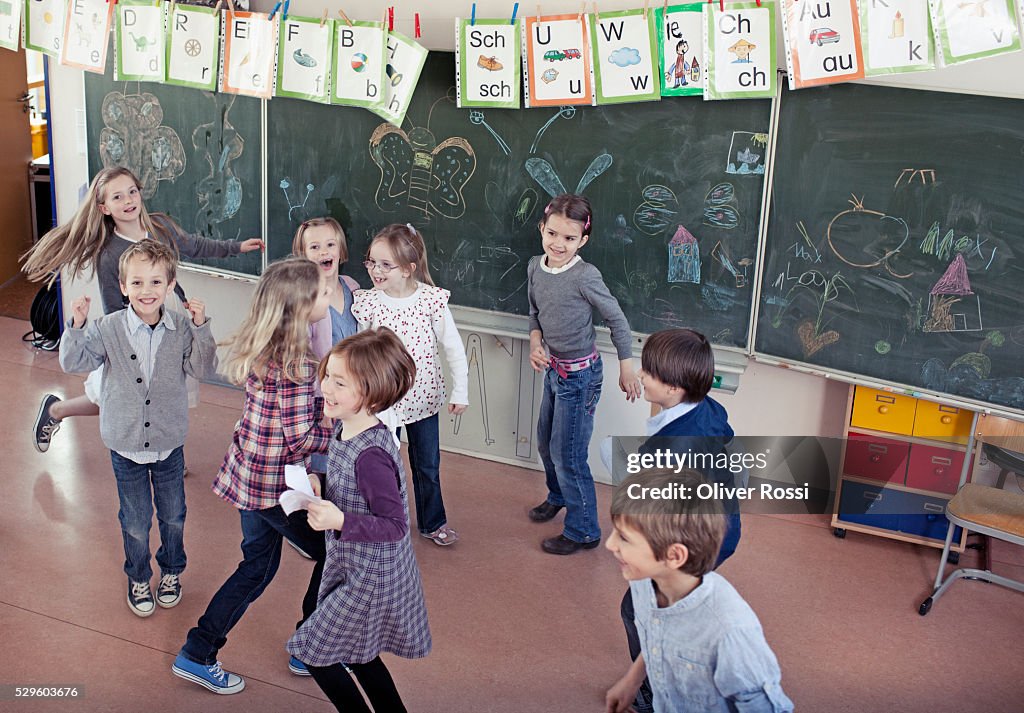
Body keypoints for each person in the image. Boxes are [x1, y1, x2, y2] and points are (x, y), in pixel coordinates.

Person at [171, 257, 333, 694]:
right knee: (335, 553)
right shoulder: (298, 361)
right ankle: (310, 645)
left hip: (250, 476)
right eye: (321, 292)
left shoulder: (268, 348)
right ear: (300, 308)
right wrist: (343, 431)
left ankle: (198, 652)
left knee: (256, 566)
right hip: (275, 487)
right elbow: (300, 437)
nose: (328, 295)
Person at [22, 166, 262, 453]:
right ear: (104, 207)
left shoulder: (160, 226)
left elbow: (194, 245)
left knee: (167, 391)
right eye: (117, 197)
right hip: (135, 332)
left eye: (132, 192)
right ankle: (56, 410)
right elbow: (113, 307)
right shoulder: (110, 253)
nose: (128, 201)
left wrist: (236, 247)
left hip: (170, 319)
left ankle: (166, 450)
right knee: (121, 400)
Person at [58, 239, 217, 617]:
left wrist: (200, 328)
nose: (147, 291)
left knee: (174, 516)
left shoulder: (180, 327)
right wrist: (77, 325)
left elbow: (203, 368)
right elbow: (72, 361)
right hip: (125, 444)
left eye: (156, 282)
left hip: (167, 442)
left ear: (169, 285)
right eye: (138, 283)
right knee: (134, 520)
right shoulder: (107, 327)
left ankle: (172, 571)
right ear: (124, 286)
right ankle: (139, 576)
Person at [602, 327, 744, 713]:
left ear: (676, 386)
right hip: (716, 525)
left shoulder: (678, 446)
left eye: (650, 373)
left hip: (699, 537)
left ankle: (655, 692)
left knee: (642, 610)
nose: (642, 376)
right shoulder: (704, 408)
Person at [288, 328, 430, 713]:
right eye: (327, 376)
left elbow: (396, 525)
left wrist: (338, 519)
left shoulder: (371, 455)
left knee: (313, 650)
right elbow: (351, 489)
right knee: (362, 655)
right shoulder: (345, 426)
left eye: (339, 382)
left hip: (370, 576)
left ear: (369, 393)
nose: (326, 388)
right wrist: (320, 485)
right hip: (352, 564)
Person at [604, 469, 793, 713]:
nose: (609, 545)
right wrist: (633, 680)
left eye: (624, 538)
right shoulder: (644, 583)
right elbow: (657, 635)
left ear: (674, 555)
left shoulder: (730, 632)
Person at [526, 193, 641, 555]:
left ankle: (584, 529)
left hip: (581, 378)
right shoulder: (534, 267)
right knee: (546, 443)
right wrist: (534, 343)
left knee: (569, 454)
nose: (559, 244)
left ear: (583, 241)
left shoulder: (585, 275)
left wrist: (626, 366)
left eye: (569, 238)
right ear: (542, 229)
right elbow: (534, 313)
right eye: (553, 234)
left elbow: (617, 319)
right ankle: (558, 495)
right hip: (554, 371)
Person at [351, 223, 468, 547]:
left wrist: (461, 391)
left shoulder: (431, 300)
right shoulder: (369, 302)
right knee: (382, 467)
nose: (375, 270)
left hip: (425, 401)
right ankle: (385, 523)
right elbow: (360, 352)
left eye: (385, 265)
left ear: (408, 268)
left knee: (427, 466)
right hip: (384, 403)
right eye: (371, 262)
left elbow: (453, 348)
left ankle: (433, 522)